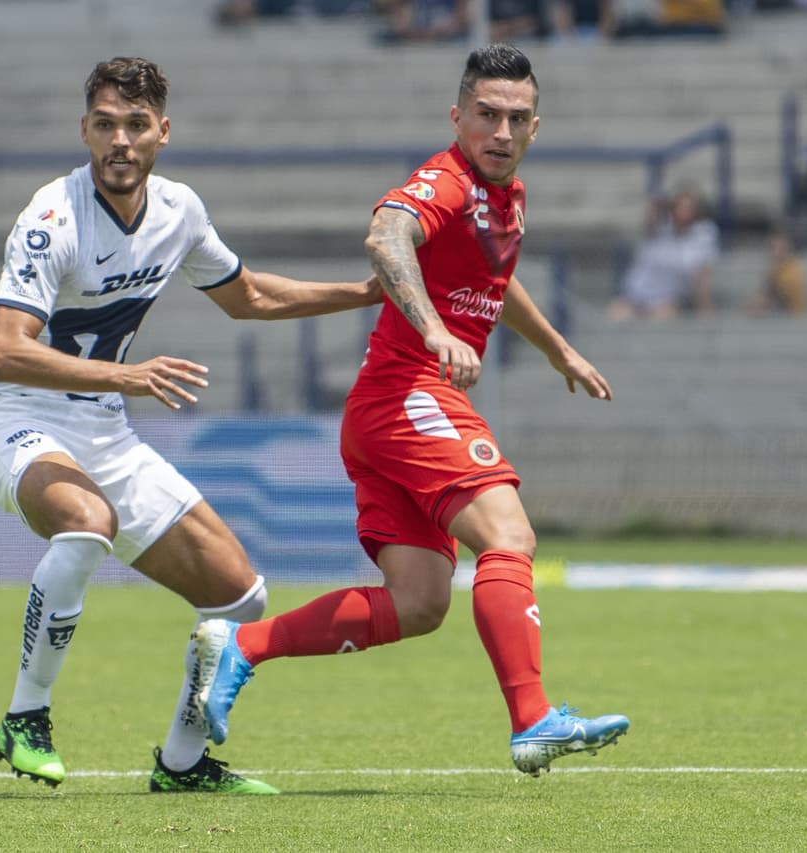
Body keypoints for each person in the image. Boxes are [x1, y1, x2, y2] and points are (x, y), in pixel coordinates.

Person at [190, 43, 630, 780]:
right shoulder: (446, 181)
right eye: (486, 115)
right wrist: (431, 326)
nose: (501, 131)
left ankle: (242, 647)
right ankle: (533, 720)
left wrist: (558, 349)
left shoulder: (505, 198)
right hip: (409, 395)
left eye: (516, 118)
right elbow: (387, 234)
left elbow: (496, 277)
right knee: (508, 534)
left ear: (535, 128)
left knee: (421, 601)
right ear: (458, 116)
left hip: (383, 413)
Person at [0, 56, 381, 795]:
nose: (119, 142)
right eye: (104, 125)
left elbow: (247, 295)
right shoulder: (50, 217)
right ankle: (25, 715)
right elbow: (5, 353)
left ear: (163, 131)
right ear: (85, 131)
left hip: (105, 432)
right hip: (19, 425)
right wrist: (124, 375)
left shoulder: (179, 212)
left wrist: (365, 293)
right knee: (87, 522)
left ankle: (184, 763)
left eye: (135, 126)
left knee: (239, 592)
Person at [606, 187, 719, 322]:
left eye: (689, 208)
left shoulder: (703, 234)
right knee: (616, 315)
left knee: (661, 318)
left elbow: (701, 273)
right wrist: (657, 205)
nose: (684, 212)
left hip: (669, 298)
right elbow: (650, 219)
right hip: (636, 293)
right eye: (680, 207)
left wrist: (705, 308)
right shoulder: (659, 229)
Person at [743, 228, 807, 315]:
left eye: (780, 248)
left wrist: (762, 302)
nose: (775, 252)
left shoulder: (794, 269)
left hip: (792, 313)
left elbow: (786, 298)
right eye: (773, 248)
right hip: (777, 311)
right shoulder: (775, 267)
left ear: (788, 249)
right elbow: (766, 291)